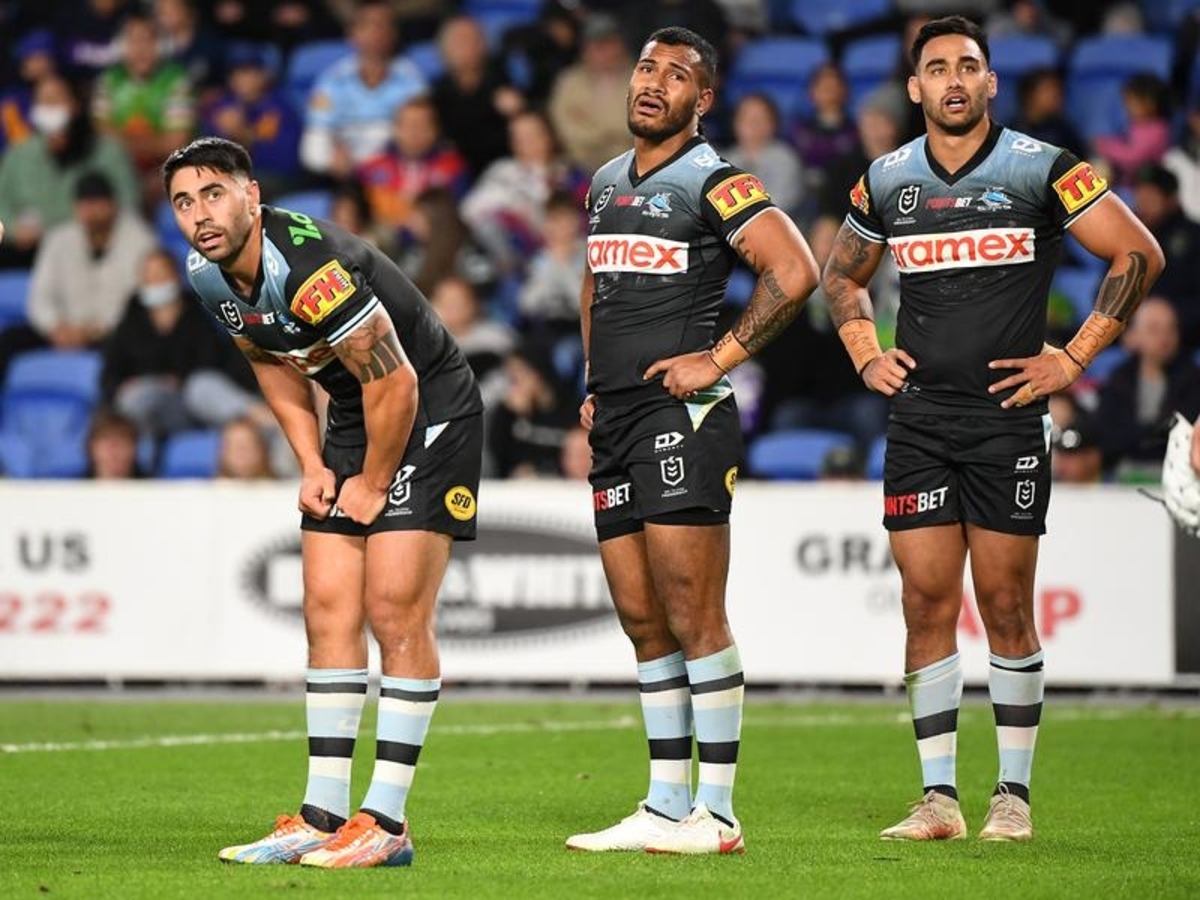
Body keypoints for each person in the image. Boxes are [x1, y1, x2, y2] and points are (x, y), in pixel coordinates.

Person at [820, 16, 1164, 843]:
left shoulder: (1041, 167)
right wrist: (866, 352)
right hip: (919, 419)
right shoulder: (888, 178)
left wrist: (1074, 358)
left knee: (1005, 603)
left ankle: (1013, 797)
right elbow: (840, 273)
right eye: (938, 67)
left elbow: (1139, 253)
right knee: (924, 602)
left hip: (1007, 419)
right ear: (915, 87)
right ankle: (938, 800)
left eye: (968, 65)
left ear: (990, 81)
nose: (954, 79)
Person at [163, 136, 483, 868]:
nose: (199, 215)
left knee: (395, 609)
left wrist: (371, 482)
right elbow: (270, 361)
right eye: (183, 202)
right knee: (327, 608)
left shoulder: (311, 269)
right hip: (352, 410)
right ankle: (321, 816)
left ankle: (387, 822)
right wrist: (310, 463)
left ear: (251, 195)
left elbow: (396, 381)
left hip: (428, 409)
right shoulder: (207, 274)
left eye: (213, 193)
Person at [565, 26, 819, 855]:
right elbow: (596, 282)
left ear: (702, 100)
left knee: (692, 612)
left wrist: (718, 358)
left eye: (676, 75)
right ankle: (665, 802)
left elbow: (795, 271)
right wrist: (594, 381)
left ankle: (718, 813)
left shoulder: (717, 178)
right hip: (617, 419)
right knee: (643, 621)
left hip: (685, 417)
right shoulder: (606, 181)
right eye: (646, 68)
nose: (653, 82)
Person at [0, 170, 155, 385]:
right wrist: (56, 327)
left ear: (112, 205)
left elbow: (139, 301)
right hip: (62, 330)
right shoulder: (58, 238)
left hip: (110, 332)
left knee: (131, 346)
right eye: (85, 205)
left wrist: (93, 331)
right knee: (9, 339)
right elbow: (40, 297)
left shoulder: (140, 241)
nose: (92, 212)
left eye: (98, 204)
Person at [100, 247, 270, 440]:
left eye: (161, 274)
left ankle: (262, 420)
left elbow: (213, 362)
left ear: (176, 276)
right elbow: (110, 375)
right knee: (134, 398)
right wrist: (127, 386)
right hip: (148, 403)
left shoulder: (199, 312)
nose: (155, 281)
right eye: (149, 275)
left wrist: (178, 380)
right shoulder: (130, 319)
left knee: (201, 386)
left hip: (191, 403)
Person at [298, 0, 427, 180]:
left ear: (395, 33)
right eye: (370, 25)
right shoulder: (332, 81)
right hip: (341, 178)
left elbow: (418, 141)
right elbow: (313, 144)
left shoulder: (412, 82)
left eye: (384, 25)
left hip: (395, 179)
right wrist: (330, 160)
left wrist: (366, 165)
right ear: (352, 33)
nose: (378, 32)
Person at [1095, 297, 1200, 480]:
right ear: (1134, 335)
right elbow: (1107, 435)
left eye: (1171, 329)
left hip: (1178, 473)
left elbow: (1185, 434)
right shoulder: (1120, 378)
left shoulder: (1193, 379)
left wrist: (1139, 436)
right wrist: (1155, 435)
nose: (1164, 338)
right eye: (1154, 330)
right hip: (1121, 473)